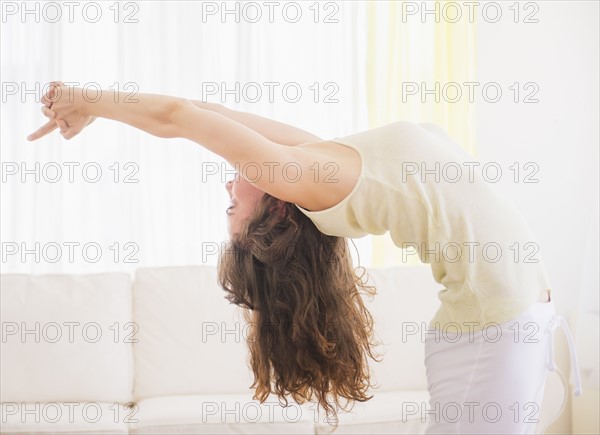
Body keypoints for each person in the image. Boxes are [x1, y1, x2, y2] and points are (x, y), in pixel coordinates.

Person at [27, 82, 582, 433]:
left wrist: (96, 106)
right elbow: (178, 117)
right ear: (278, 212)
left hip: (501, 322)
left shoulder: (318, 165)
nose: (228, 187)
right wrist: (87, 99)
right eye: (231, 209)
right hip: (494, 328)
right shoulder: (302, 180)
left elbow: (195, 111)